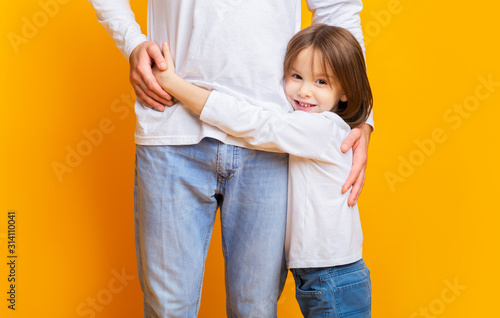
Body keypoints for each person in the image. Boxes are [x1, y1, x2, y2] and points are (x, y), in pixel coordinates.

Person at [88, 0, 373, 317]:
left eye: (319, 83)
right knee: (168, 309)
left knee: (256, 310)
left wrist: (360, 118)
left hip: (270, 142)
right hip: (171, 127)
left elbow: (339, 8)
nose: (309, 89)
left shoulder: (313, 129)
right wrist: (133, 42)